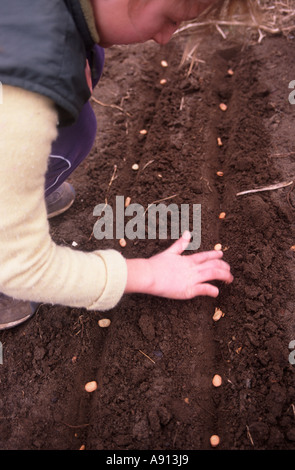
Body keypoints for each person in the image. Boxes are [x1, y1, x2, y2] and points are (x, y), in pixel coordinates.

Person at [0, 0, 235, 330]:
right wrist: (148, 274)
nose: (166, 38)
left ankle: (15, 195)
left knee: (73, 124)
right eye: (168, 19)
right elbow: (21, 266)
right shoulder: (18, 93)